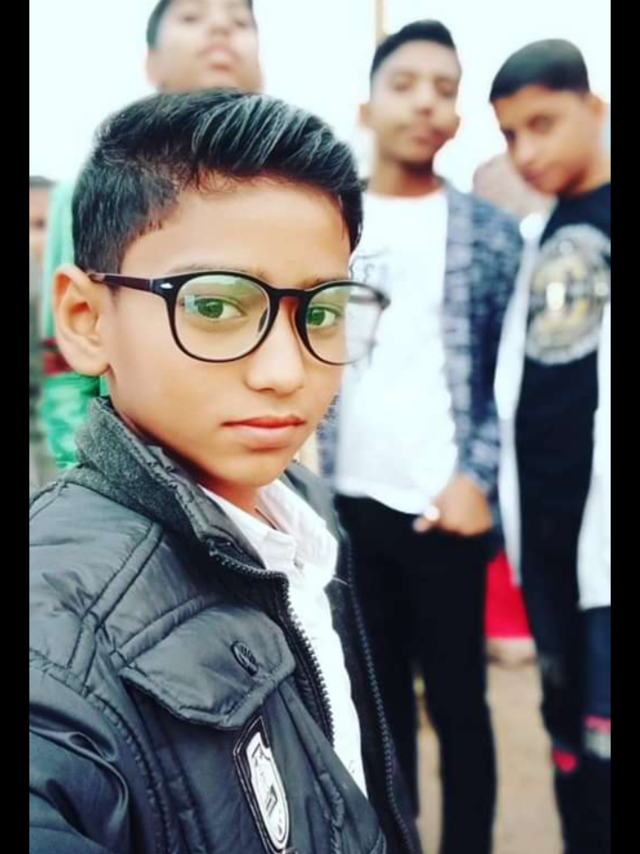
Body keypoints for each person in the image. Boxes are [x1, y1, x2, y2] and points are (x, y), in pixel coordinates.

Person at [30, 89, 422, 854]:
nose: (285, 371)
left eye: (321, 312)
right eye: (214, 307)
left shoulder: (303, 514)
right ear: (86, 319)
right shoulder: (54, 633)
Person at [324, 20, 522, 854]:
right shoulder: (328, 220)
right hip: (345, 509)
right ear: (367, 107)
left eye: (445, 88)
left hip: (446, 508)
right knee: (375, 715)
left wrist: (477, 480)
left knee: (460, 708)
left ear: (459, 115)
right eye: (405, 84)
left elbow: (510, 377)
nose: (427, 103)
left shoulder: (489, 232)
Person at [40, 0, 264, 469]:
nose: (220, 28)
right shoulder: (88, 191)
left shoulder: (290, 196)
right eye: (192, 17)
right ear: (152, 63)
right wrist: (88, 475)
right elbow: (61, 366)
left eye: (239, 21)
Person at [491, 39, 611, 854]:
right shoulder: (536, 236)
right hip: (549, 534)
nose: (526, 151)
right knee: (566, 731)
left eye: (543, 123)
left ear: (594, 109)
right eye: (509, 134)